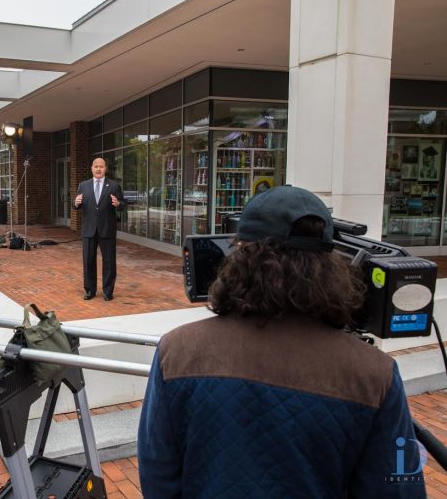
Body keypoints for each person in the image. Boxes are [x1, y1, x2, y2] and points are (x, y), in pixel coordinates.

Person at [138, 185, 425, 498]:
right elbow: (398, 486)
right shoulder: (375, 374)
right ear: (330, 267)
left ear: (238, 257)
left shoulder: (177, 351)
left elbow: (158, 474)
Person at [73, 157, 124, 301]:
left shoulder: (113, 186)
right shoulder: (83, 185)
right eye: (96, 166)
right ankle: (90, 290)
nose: (98, 169)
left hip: (107, 229)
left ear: (105, 169)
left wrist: (118, 203)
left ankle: (108, 291)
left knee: (109, 261)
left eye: (101, 166)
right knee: (88, 261)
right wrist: (75, 203)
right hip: (89, 230)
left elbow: (123, 204)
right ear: (91, 168)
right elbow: (77, 204)